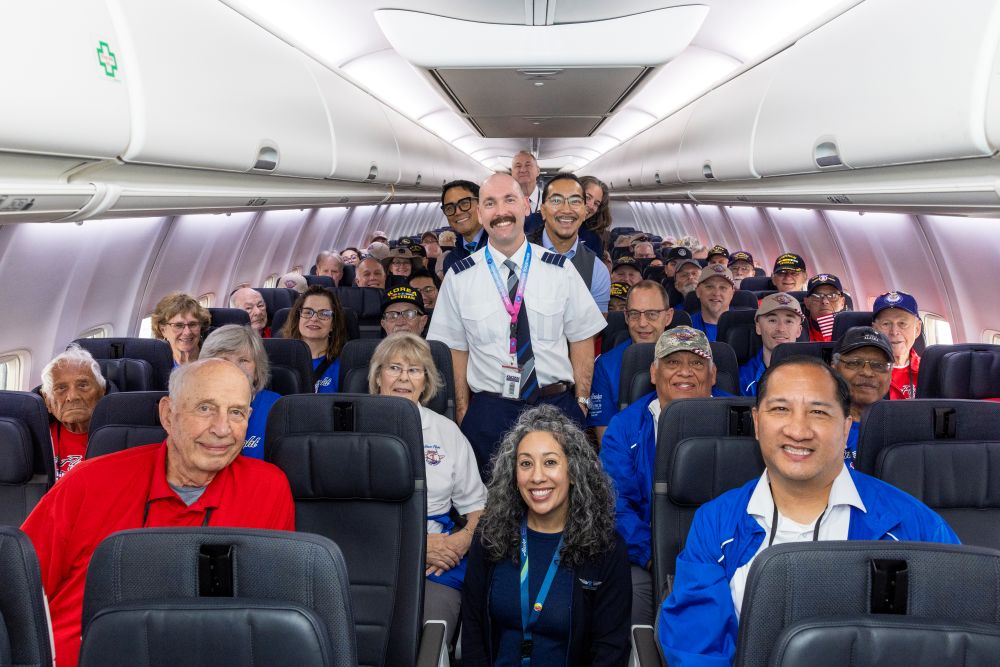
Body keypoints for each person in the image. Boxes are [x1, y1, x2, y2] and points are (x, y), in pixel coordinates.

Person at [658, 355, 959, 665]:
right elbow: (696, 648)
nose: (798, 430)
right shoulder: (716, 523)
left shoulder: (912, 526)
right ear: (758, 423)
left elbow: (954, 637)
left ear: (845, 428)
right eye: (780, 409)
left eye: (817, 411)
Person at [22, 358, 295, 667]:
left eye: (236, 412)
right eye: (205, 408)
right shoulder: (86, 482)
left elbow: (269, 611)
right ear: (168, 415)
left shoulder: (268, 489)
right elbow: (18, 584)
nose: (222, 429)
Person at [428, 173, 605, 479]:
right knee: (492, 508)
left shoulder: (560, 269)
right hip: (490, 411)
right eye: (490, 203)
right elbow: (456, 351)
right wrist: (462, 411)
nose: (501, 212)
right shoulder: (459, 278)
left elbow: (581, 340)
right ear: (481, 213)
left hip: (556, 404)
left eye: (509, 200)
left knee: (560, 501)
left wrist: (582, 402)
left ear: (526, 206)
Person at [462, 405, 631, 667]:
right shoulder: (490, 535)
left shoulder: (606, 548)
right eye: (526, 464)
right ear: (513, 474)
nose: (537, 477)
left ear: (573, 472)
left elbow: (610, 649)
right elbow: (473, 630)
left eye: (550, 462)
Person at [601, 326, 727, 626]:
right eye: (672, 363)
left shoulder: (744, 418)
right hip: (650, 553)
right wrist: (651, 555)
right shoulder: (625, 427)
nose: (685, 373)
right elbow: (615, 505)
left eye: (697, 363)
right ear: (654, 372)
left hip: (726, 550)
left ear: (713, 373)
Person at [369, 333, 486, 643]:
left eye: (415, 370)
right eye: (394, 367)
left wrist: (460, 542)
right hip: (371, 557)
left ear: (426, 382)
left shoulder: (447, 432)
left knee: (427, 640)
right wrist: (415, 547)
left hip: (438, 563)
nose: (404, 378)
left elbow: (478, 508)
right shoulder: (353, 429)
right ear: (378, 376)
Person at [588, 281, 673, 444]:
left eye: (652, 314)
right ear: (626, 317)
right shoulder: (605, 366)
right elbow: (607, 442)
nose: (642, 323)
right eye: (634, 314)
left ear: (668, 316)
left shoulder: (689, 361)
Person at [530, 172, 612, 312]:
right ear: (544, 210)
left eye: (596, 203)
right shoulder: (521, 248)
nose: (591, 206)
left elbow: (594, 324)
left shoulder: (595, 266)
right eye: (557, 201)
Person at [200, 325, 279, 459]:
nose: (234, 368)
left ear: (257, 370)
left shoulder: (278, 407)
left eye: (243, 360)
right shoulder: (194, 406)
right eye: (224, 360)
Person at [40, 344, 107, 479]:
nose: (73, 396)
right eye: (61, 388)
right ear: (47, 401)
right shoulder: (39, 441)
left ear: (102, 392)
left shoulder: (120, 438)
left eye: (83, 385)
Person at [831, 326, 894, 465]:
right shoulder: (817, 426)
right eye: (854, 363)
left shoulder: (903, 429)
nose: (867, 372)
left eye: (879, 365)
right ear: (834, 370)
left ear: (890, 376)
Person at [282, 285, 348, 393]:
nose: (314, 319)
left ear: (333, 324)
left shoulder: (343, 365)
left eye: (324, 314)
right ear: (298, 318)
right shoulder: (280, 361)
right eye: (308, 312)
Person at [739, 293, 804, 396]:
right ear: (758, 327)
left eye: (789, 321)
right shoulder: (743, 378)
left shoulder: (813, 375)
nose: (781, 329)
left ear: (799, 331)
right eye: (772, 320)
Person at [872, 290, 923, 399]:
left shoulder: (928, 371)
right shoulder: (863, 373)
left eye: (902, 323)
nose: (894, 332)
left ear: (917, 329)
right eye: (886, 324)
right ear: (875, 329)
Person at [151, 292, 210, 366]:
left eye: (193, 324)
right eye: (178, 325)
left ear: (201, 326)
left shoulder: (214, 360)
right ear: (163, 330)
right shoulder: (155, 365)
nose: (187, 332)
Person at [440, 180, 485, 275]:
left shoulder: (502, 246)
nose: (457, 212)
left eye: (464, 203)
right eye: (449, 208)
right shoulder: (450, 262)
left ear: (481, 203)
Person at [690, 264, 736, 342]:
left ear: (732, 294)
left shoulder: (745, 325)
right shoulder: (687, 326)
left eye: (723, 288)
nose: (716, 293)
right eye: (709, 286)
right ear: (698, 292)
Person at [805, 273, 848, 341]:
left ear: (842, 302)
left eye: (832, 296)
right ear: (807, 302)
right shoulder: (797, 331)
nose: (825, 301)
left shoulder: (851, 332)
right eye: (817, 296)